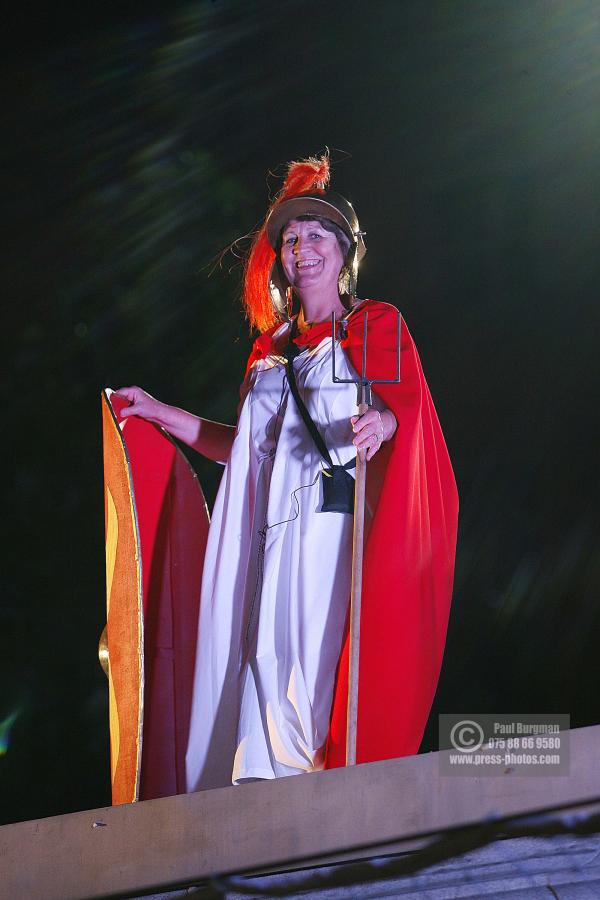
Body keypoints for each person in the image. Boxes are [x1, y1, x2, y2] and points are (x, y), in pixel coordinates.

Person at [117, 154, 458, 791]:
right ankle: (255, 802)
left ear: (344, 253)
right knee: (258, 661)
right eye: (292, 239)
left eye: (317, 236)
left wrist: (380, 426)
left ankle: (319, 801)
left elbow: (405, 417)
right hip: (267, 536)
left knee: (310, 668)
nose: (302, 249)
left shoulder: (375, 326)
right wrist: (160, 414)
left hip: (331, 533)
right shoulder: (268, 353)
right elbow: (244, 450)